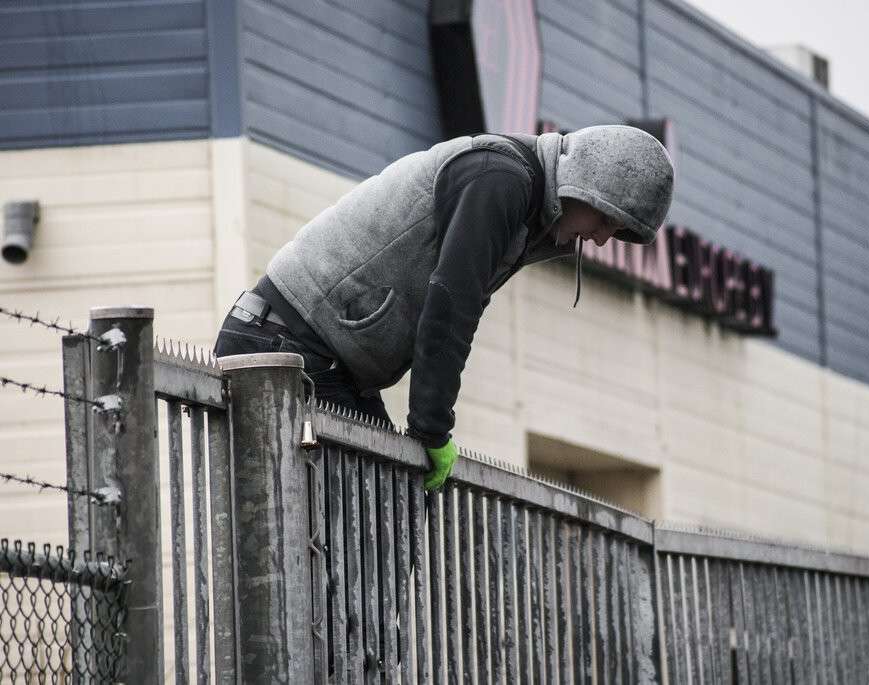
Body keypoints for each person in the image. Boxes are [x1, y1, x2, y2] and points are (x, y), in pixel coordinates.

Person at [213, 125, 674, 489]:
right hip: (284, 345)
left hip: (325, 359)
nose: (599, 238)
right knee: (371, 522)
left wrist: (428, 431)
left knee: (384, 518)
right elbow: (452, 306)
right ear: (583, 184)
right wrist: (431, 432)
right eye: (605, 219)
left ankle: (342, 614)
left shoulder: (522, 204)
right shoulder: (500, 180)